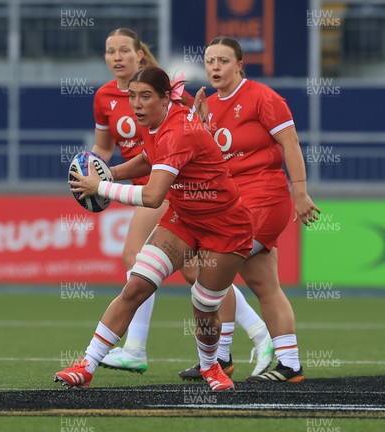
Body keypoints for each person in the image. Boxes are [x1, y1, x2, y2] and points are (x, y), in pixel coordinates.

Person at [56, 66, 254, 392]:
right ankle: (87, 365)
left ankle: (211, 367)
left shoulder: (179, 132)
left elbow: (151, 196)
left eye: (145, 96)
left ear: (165, 98)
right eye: (132, 96)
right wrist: (108, 174)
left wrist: (100, 187)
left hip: (226, 228)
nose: (136, 103)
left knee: (204, 306)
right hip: (185, 220)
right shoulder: (155, 121)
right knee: (136, 286)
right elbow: (148, 159)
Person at [94, 28, 273, 378]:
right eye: (109, 51)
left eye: (124, 51)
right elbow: (104, 146)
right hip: (147, 182)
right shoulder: (103, 97)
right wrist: (98, 169)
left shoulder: (166, 94)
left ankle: (135, 348)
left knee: (135, 258)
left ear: (139, 56)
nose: (117, 57)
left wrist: (103, 185)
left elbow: (197, 131)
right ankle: (255, 335)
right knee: (195, 273)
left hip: (167, 189)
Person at [179, 36, 321, 383]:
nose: (215, 66)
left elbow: (290, 144)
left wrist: (300, 193)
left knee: (212, 269)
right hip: (232, 205)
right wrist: (197, 123)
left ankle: (219, 358)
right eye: (210, 60)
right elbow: (206, 158)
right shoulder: (208, 105)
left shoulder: (262, 97)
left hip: (265, 199)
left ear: (240, 65)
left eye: (223, 61)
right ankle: (289, 366)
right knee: (263, 284)